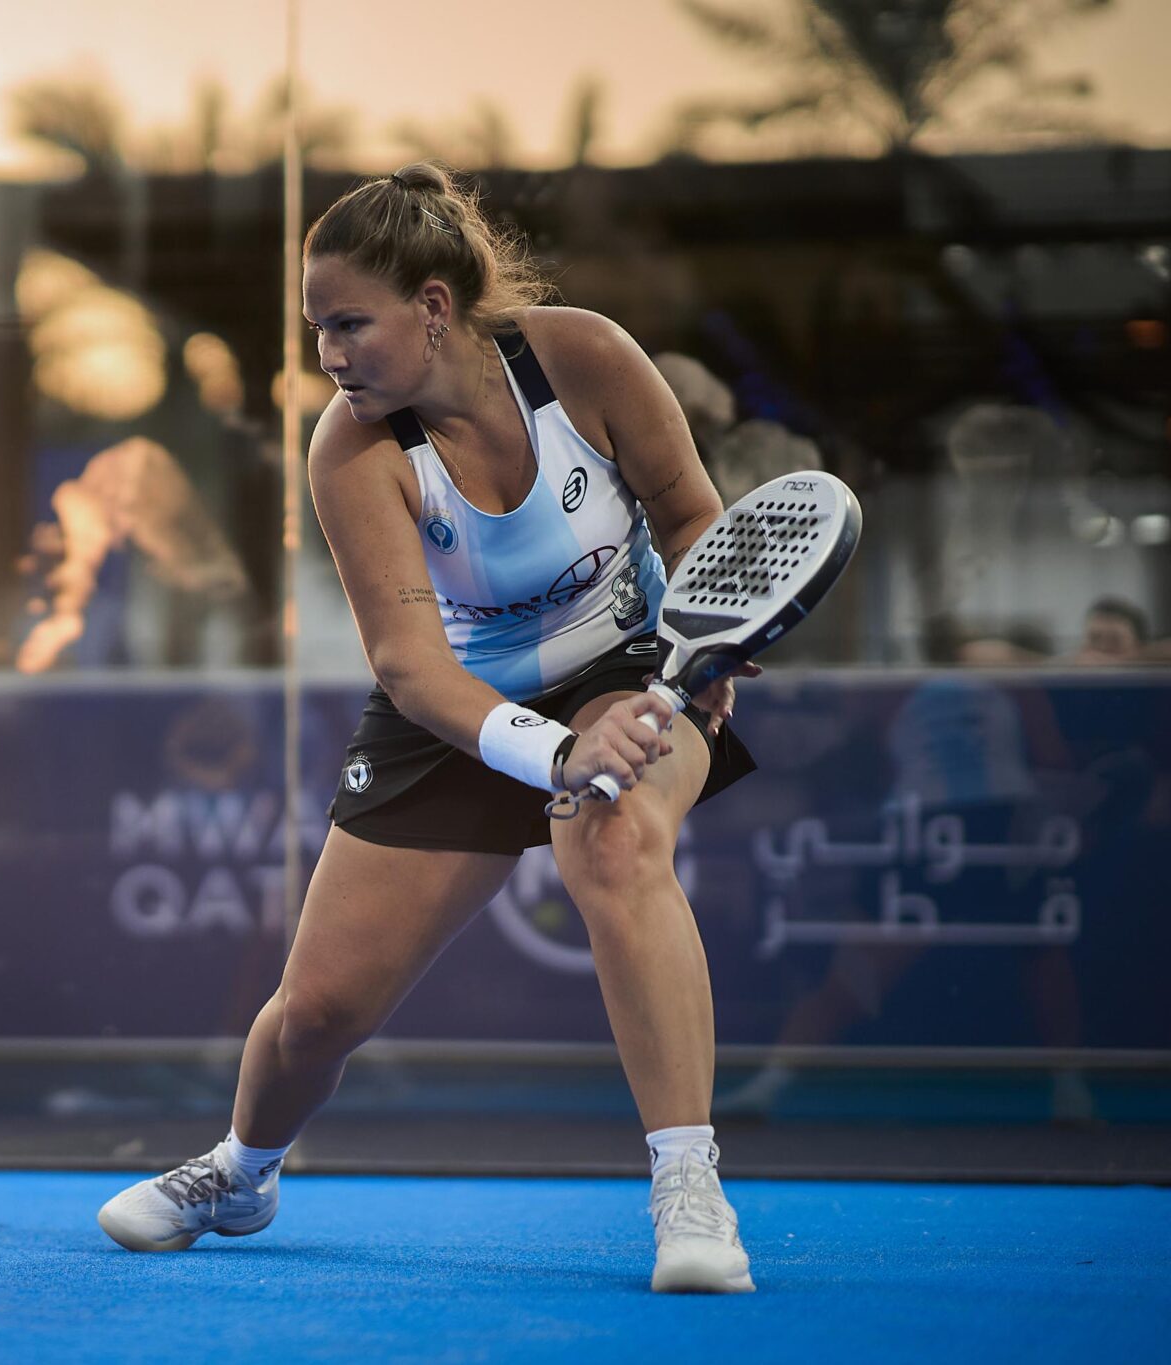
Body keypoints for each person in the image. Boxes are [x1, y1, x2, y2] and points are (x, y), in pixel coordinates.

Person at [96, 163, 762, 1293]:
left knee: (608, 839)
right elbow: (409, 670)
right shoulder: (348, 450)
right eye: (317, 329)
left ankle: (688, 1188)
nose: (328, 354)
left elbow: (692, 513)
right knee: (316, 1012)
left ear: (435, 307)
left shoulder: (585, 357)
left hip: (625, 661)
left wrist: (709, 639)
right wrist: (556, 752)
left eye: (349, 323)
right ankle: (241, 1170)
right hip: (456, 700)